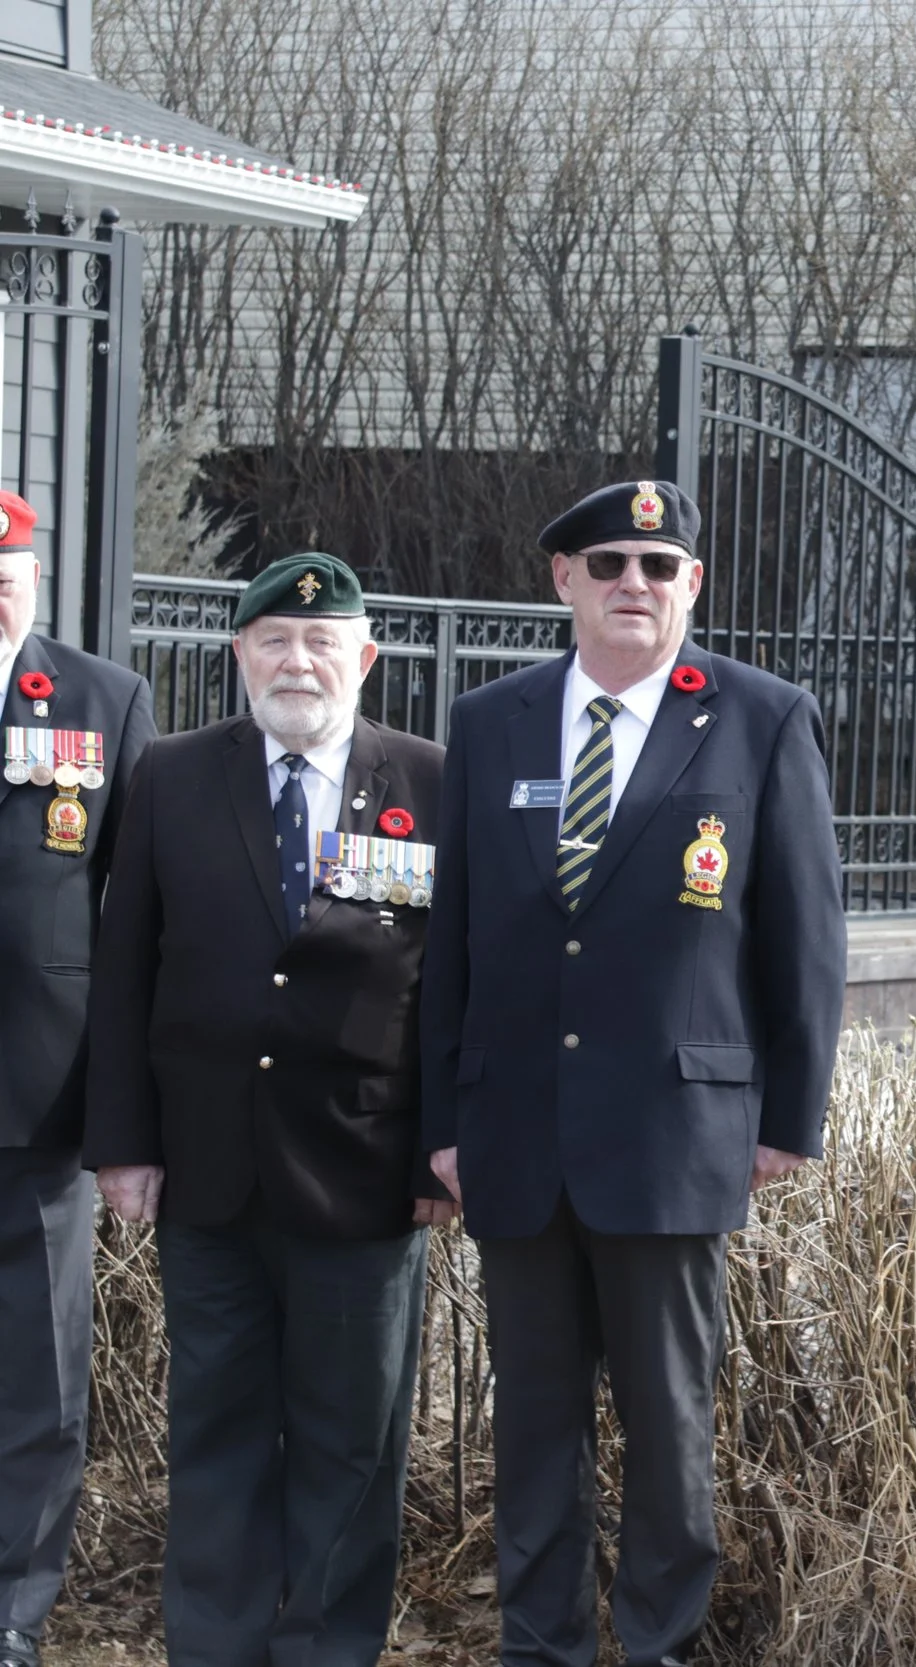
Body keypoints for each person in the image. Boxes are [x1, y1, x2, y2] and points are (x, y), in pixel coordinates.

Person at [419, 480, 846, 1667]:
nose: (633, 584)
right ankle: (539, 1646)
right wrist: (444, 1117)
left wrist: (789, 1116)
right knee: (533, 1426)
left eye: (660, 566)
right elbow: (453, 940)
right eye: (607, 562)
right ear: (564, 579)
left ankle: (657, 1645)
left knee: (668, 1427)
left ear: (692, 585)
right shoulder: (493, 720)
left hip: (673, 1132)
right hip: (516, 1132)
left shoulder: (761, 717)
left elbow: (805, 936)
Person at [84, 552, 450, 1667]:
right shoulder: (173, 774)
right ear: (240, 653)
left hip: (365, 1175)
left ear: (364, 657)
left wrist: (439, 1155)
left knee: (351, 1444)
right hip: (208, 1172)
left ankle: (326, 1649)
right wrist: (124, 1144)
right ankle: (216, 1646)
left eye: (323, 641)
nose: (299, 661)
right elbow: (124, 968)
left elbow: (457, 987)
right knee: (217, 1432)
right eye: (276, 641)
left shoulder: (431, 780)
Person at [0, 491, 154, 1667]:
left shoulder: (102, 701)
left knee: (36, 1376)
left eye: (6, 573)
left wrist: (122, 1111)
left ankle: (12, 1607)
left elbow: (137, 915)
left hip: (38, 1100)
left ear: (36, 578)